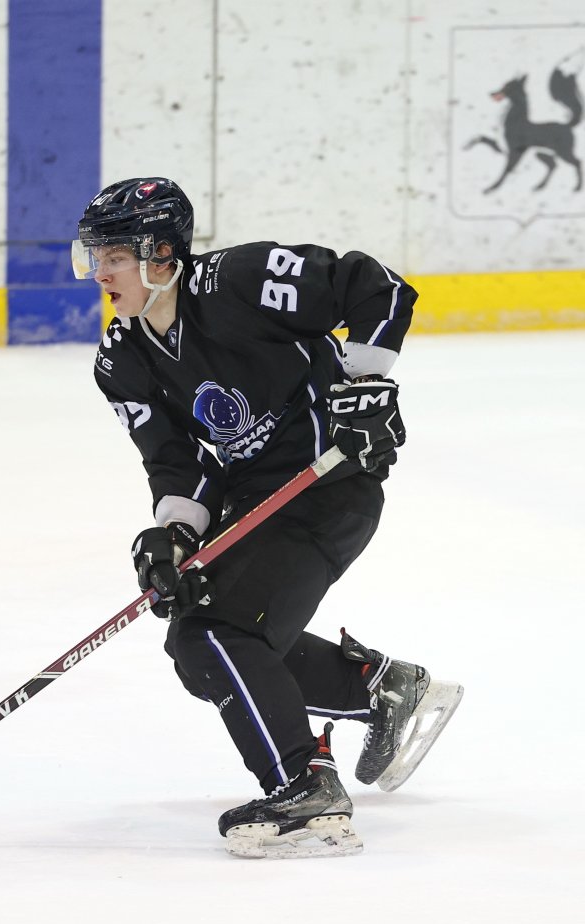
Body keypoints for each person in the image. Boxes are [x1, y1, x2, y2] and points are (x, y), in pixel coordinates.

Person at [73, 177, 463, 859]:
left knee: (217, 633)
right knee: (197, 649)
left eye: (115, 256)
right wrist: (175, 534)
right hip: (253, 506)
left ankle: (305, 788)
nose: (100, 273)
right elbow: (173, 461)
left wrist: (367, 385)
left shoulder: (240, 280)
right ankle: (379, 689)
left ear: (161, 253)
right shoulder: (122, 358)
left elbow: (377, 288)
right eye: (94, 257)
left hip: (328, 483)